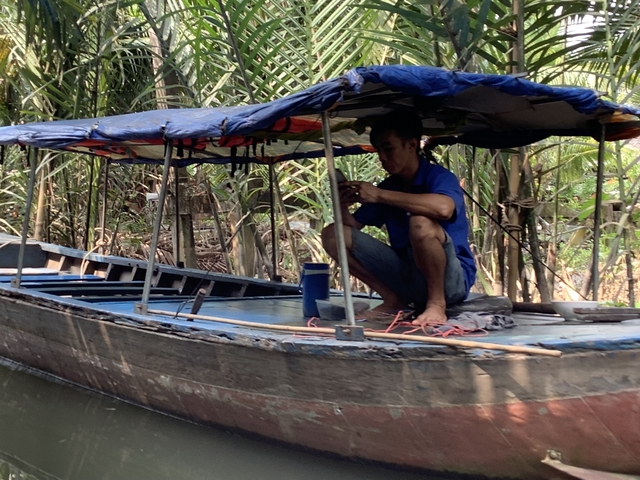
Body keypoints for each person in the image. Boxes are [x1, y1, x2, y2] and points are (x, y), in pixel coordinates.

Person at [321, 111, 476, 326]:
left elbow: (444, 208)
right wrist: (343, 205)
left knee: (420, 223)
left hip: (451, 283)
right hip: (408, 277)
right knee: (332, 233)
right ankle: (393, 299)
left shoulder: (439, 177)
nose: (382, 157)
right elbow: (350, 231)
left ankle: (436, 304)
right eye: (379, 151)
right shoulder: (389, 186)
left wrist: (379, 195)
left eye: (388, 148)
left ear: (412, 145)